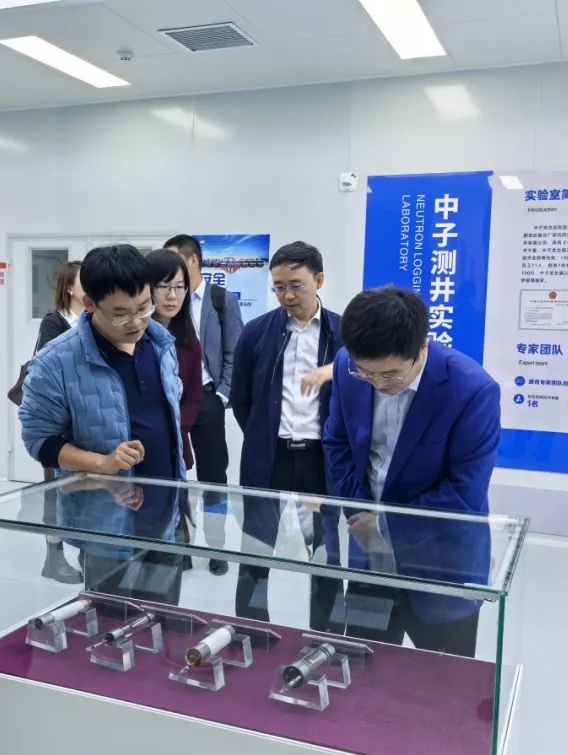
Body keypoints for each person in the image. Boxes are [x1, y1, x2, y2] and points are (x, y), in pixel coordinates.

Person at [322, 285, 500, 656]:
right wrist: (360, 515)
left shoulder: (471, 390)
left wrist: (384, 526)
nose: (377, 384)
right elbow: (337, 444)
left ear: (422, 348)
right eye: (366, 373)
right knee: (363, 669)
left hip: (441, 562)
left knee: (441, 681)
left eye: (390, 375)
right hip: (368, 554)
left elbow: (463, 491)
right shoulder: (346, 366)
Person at [19, 244, 186, 603]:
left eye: (144, 307)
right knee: (110, 626)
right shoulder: (56, 362)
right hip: (105, 526)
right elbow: (39, 440)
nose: (137, 322)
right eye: (121, 314)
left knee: (166, 624)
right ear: (90, 304)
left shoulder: (161, 344)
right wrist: (103, 463)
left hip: (165, 520)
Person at [230, 241, 342, 628]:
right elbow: (241, 399)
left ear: (319, 281)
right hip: (270, 455)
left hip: (320, 460)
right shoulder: (257, 333)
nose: (287, 295)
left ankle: (327, 635)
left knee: (327, 551)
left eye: (296, 285)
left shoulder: (342, 333)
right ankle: (250, 629)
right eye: (279, 287)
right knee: (255, 547)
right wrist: (262, 435)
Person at [164, 234, 243, 576]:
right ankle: (181, 544)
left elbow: (234, 351)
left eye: (174, 261)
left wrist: (222, 394)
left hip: (209, 398)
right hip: (170, 401)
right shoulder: (165, 300)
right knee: (175, 474)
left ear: (192, 260)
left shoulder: (221, 300)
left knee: (213, 476)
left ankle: (216, 546)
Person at [32, 260, 85, 585]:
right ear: (69, 288)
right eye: (83, 282)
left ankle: (86, 551)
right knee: (56, 491)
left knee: (86, 490)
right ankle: (53, 558)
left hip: (86, 422)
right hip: (57, 424)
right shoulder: (55, 322)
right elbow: (49, 367)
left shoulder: (93, 319)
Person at [144, 249, 203, 472]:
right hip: (136, 446)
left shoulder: (190, 342)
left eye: (179, 287)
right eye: (164, 287)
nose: (172, 296)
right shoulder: (132, 338)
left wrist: (175, 430)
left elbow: (193, 396)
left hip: (173, 445)